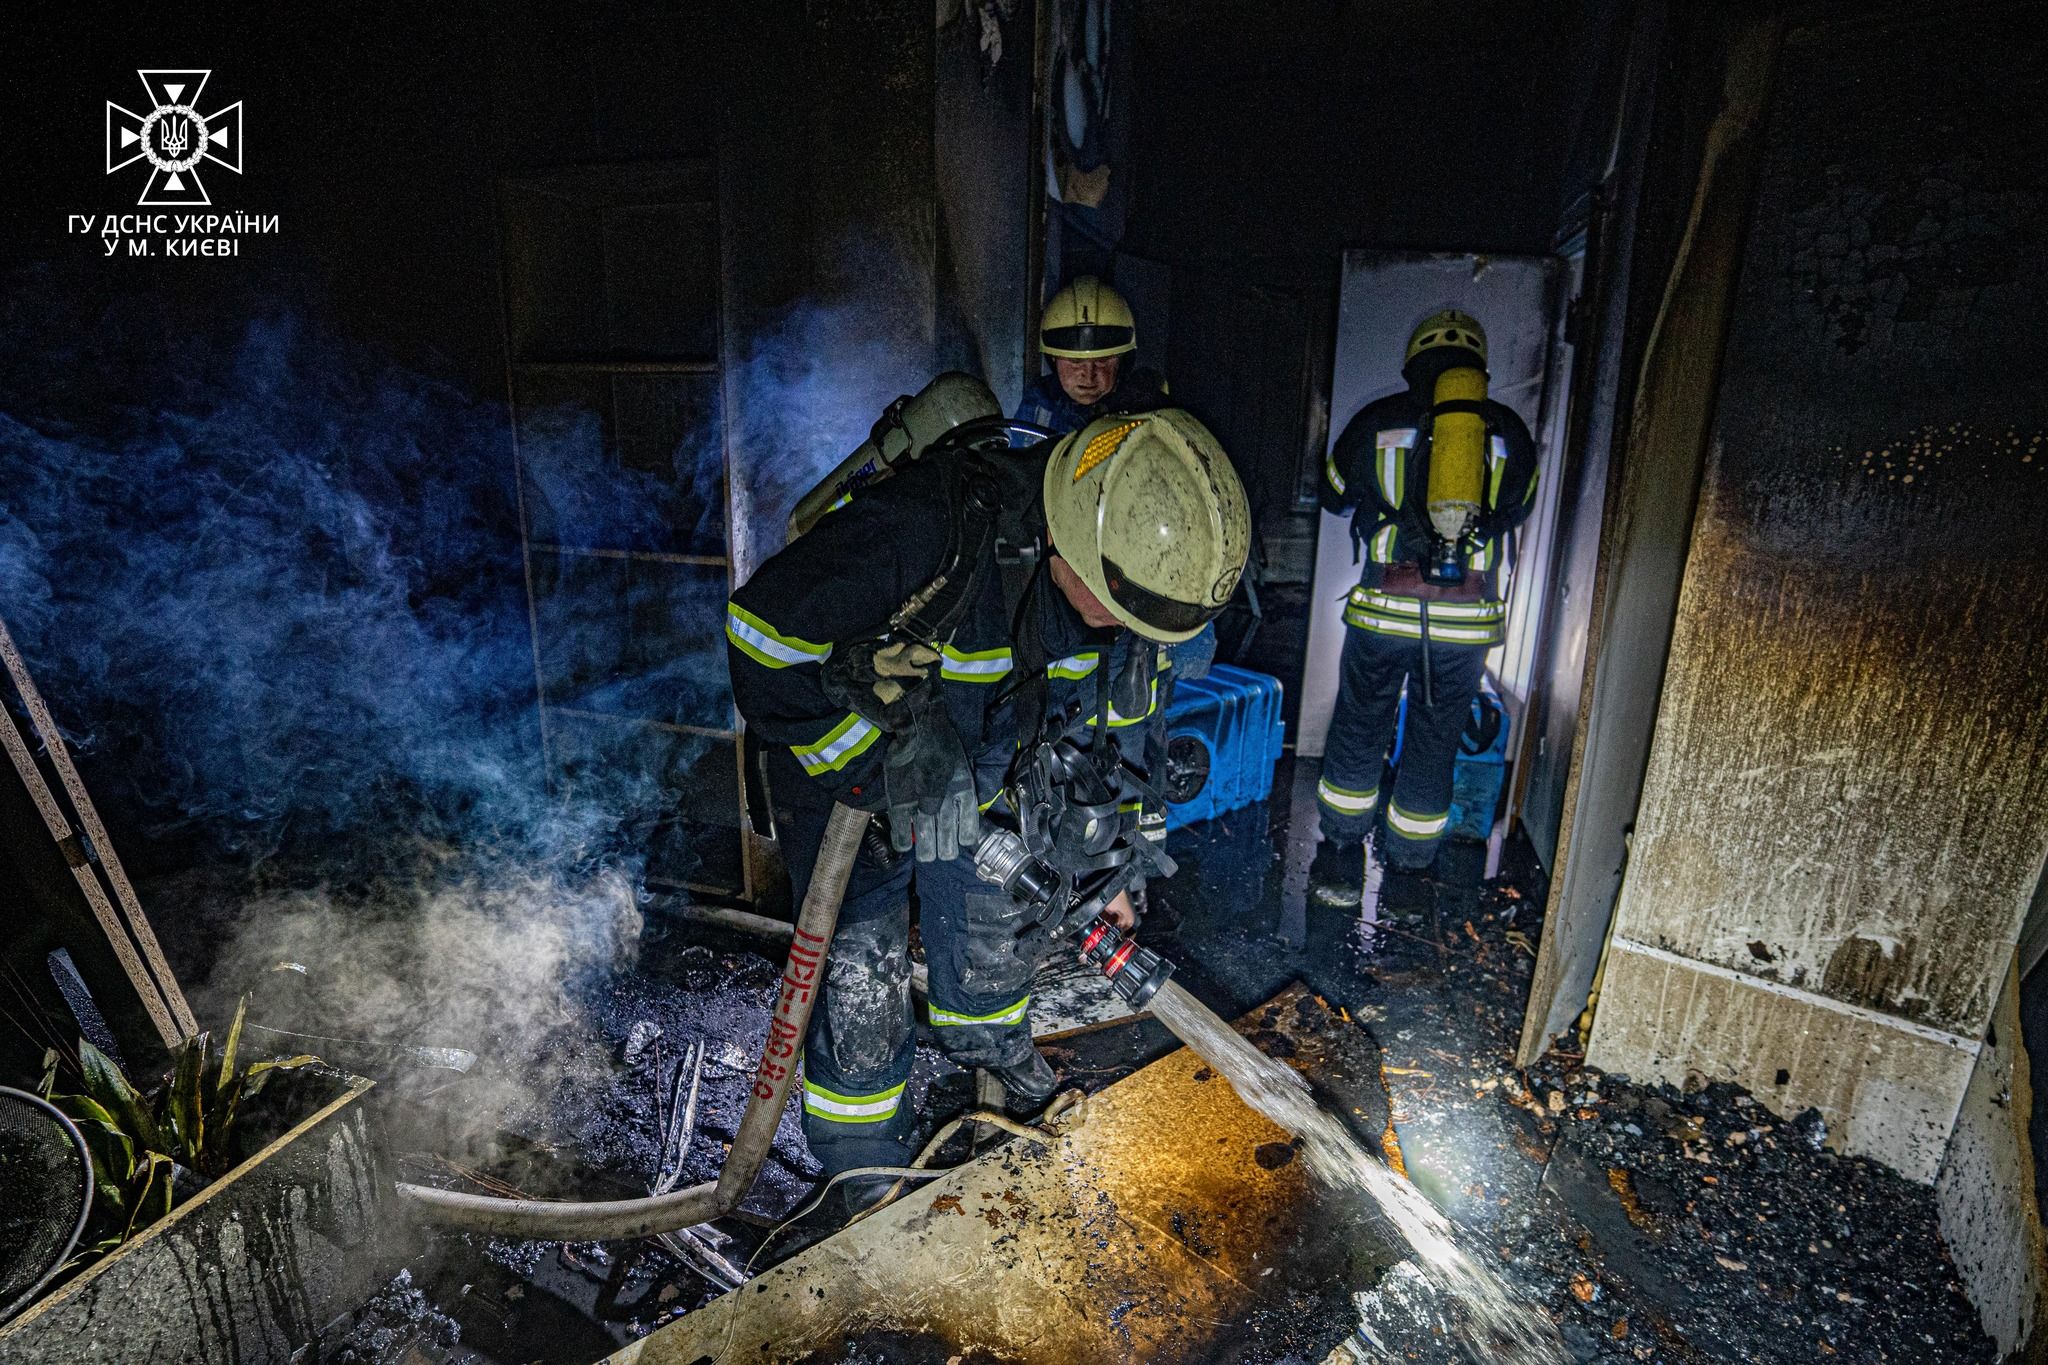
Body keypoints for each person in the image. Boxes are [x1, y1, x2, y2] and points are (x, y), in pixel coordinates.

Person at [726, 408, 1249, 1205]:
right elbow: (761, 639)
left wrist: (1115, 861)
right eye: (1117, 609)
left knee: (993, 927)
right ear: (1067, 536)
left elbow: (1126, 718)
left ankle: (990, 1046)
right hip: (848, 787)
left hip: (983, 775)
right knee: (862, 971)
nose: (1117, 629)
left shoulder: (1121, 589)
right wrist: (876, 762)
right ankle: (863, 1165)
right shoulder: (932, 525)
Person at [1310, 310, 1539, 901]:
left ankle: (1340, 850)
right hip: (1465, 625)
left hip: (1384, 612)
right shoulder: (1509, 431)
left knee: (1361, 724)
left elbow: (1334, 495)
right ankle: (1410, 866)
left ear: (1413, 362)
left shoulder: (1377, 420)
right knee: (1435, 738)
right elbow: (1519, 509)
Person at [1014, 276, 1170, 436]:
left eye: (1102, 361)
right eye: (1075, 361)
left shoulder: (1144, 408)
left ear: (1122, 360)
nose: (1088, 376)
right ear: (1053, 358)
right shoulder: (1038, 401)